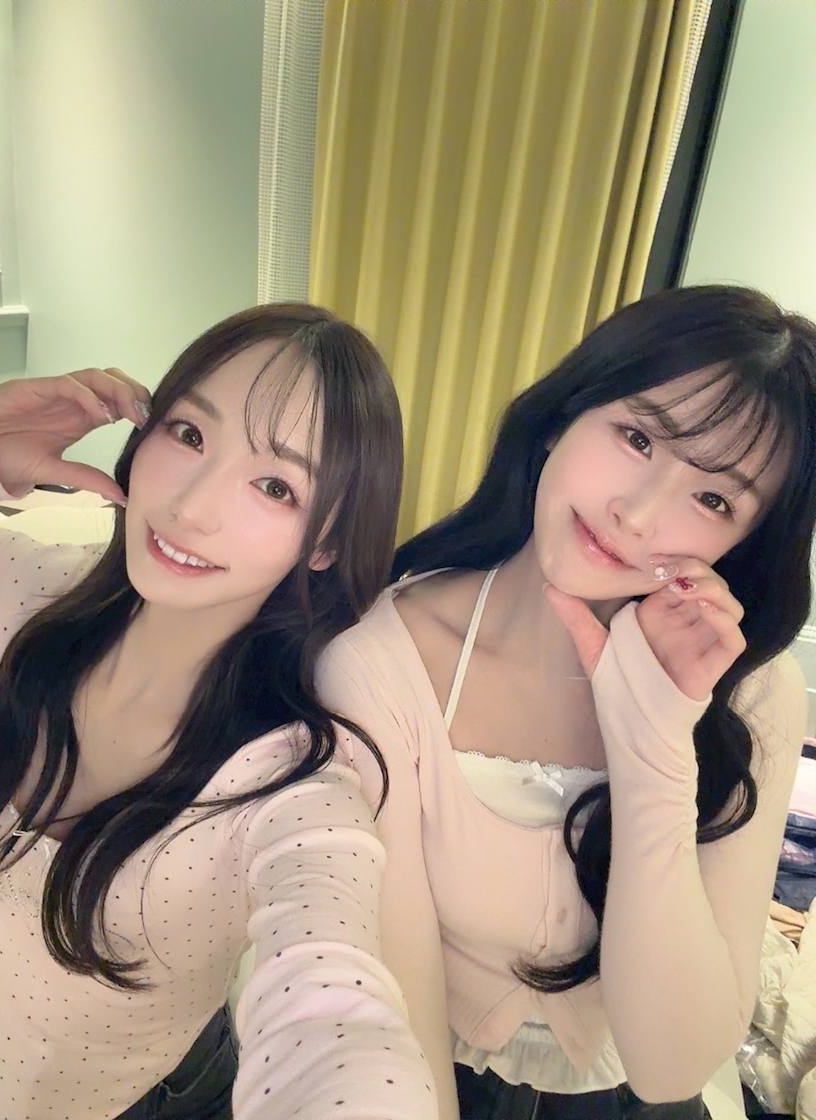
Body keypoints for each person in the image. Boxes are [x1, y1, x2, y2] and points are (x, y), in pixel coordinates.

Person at [315, 285, 816, 1120]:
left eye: (714, 500)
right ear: (562, 416)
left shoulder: (755, 695)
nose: (638, 515)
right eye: (637, 437)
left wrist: (656, 743)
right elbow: (400, 1009)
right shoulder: (382, 660)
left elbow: (671, 1066)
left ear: (743, 544)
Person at [0, 304, 439, 1120]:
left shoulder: (289, 786)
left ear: (326, 545)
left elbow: (332, 1006)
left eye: (275, 486)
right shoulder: (12, 587)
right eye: (189, 434)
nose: (191, 506)